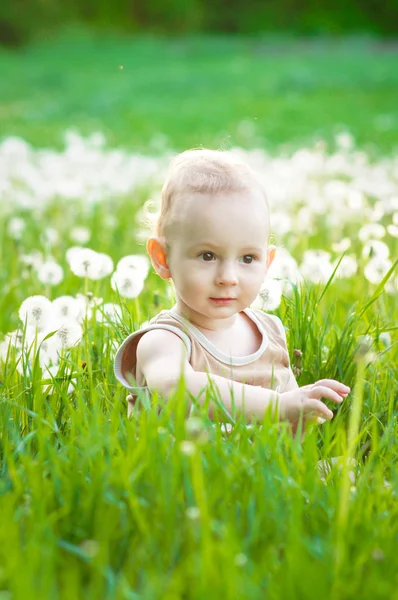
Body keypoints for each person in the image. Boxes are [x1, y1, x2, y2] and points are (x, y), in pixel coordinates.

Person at [114, 149, 350, 435]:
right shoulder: (164, 340)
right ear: (163, 258)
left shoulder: (271, 333)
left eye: (247, 258)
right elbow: (175, 388)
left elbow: (289, 422)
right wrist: (277, 406)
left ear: (267, 262)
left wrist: (302, 410)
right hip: (181, 473)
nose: (228, 278)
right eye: (207, 256)